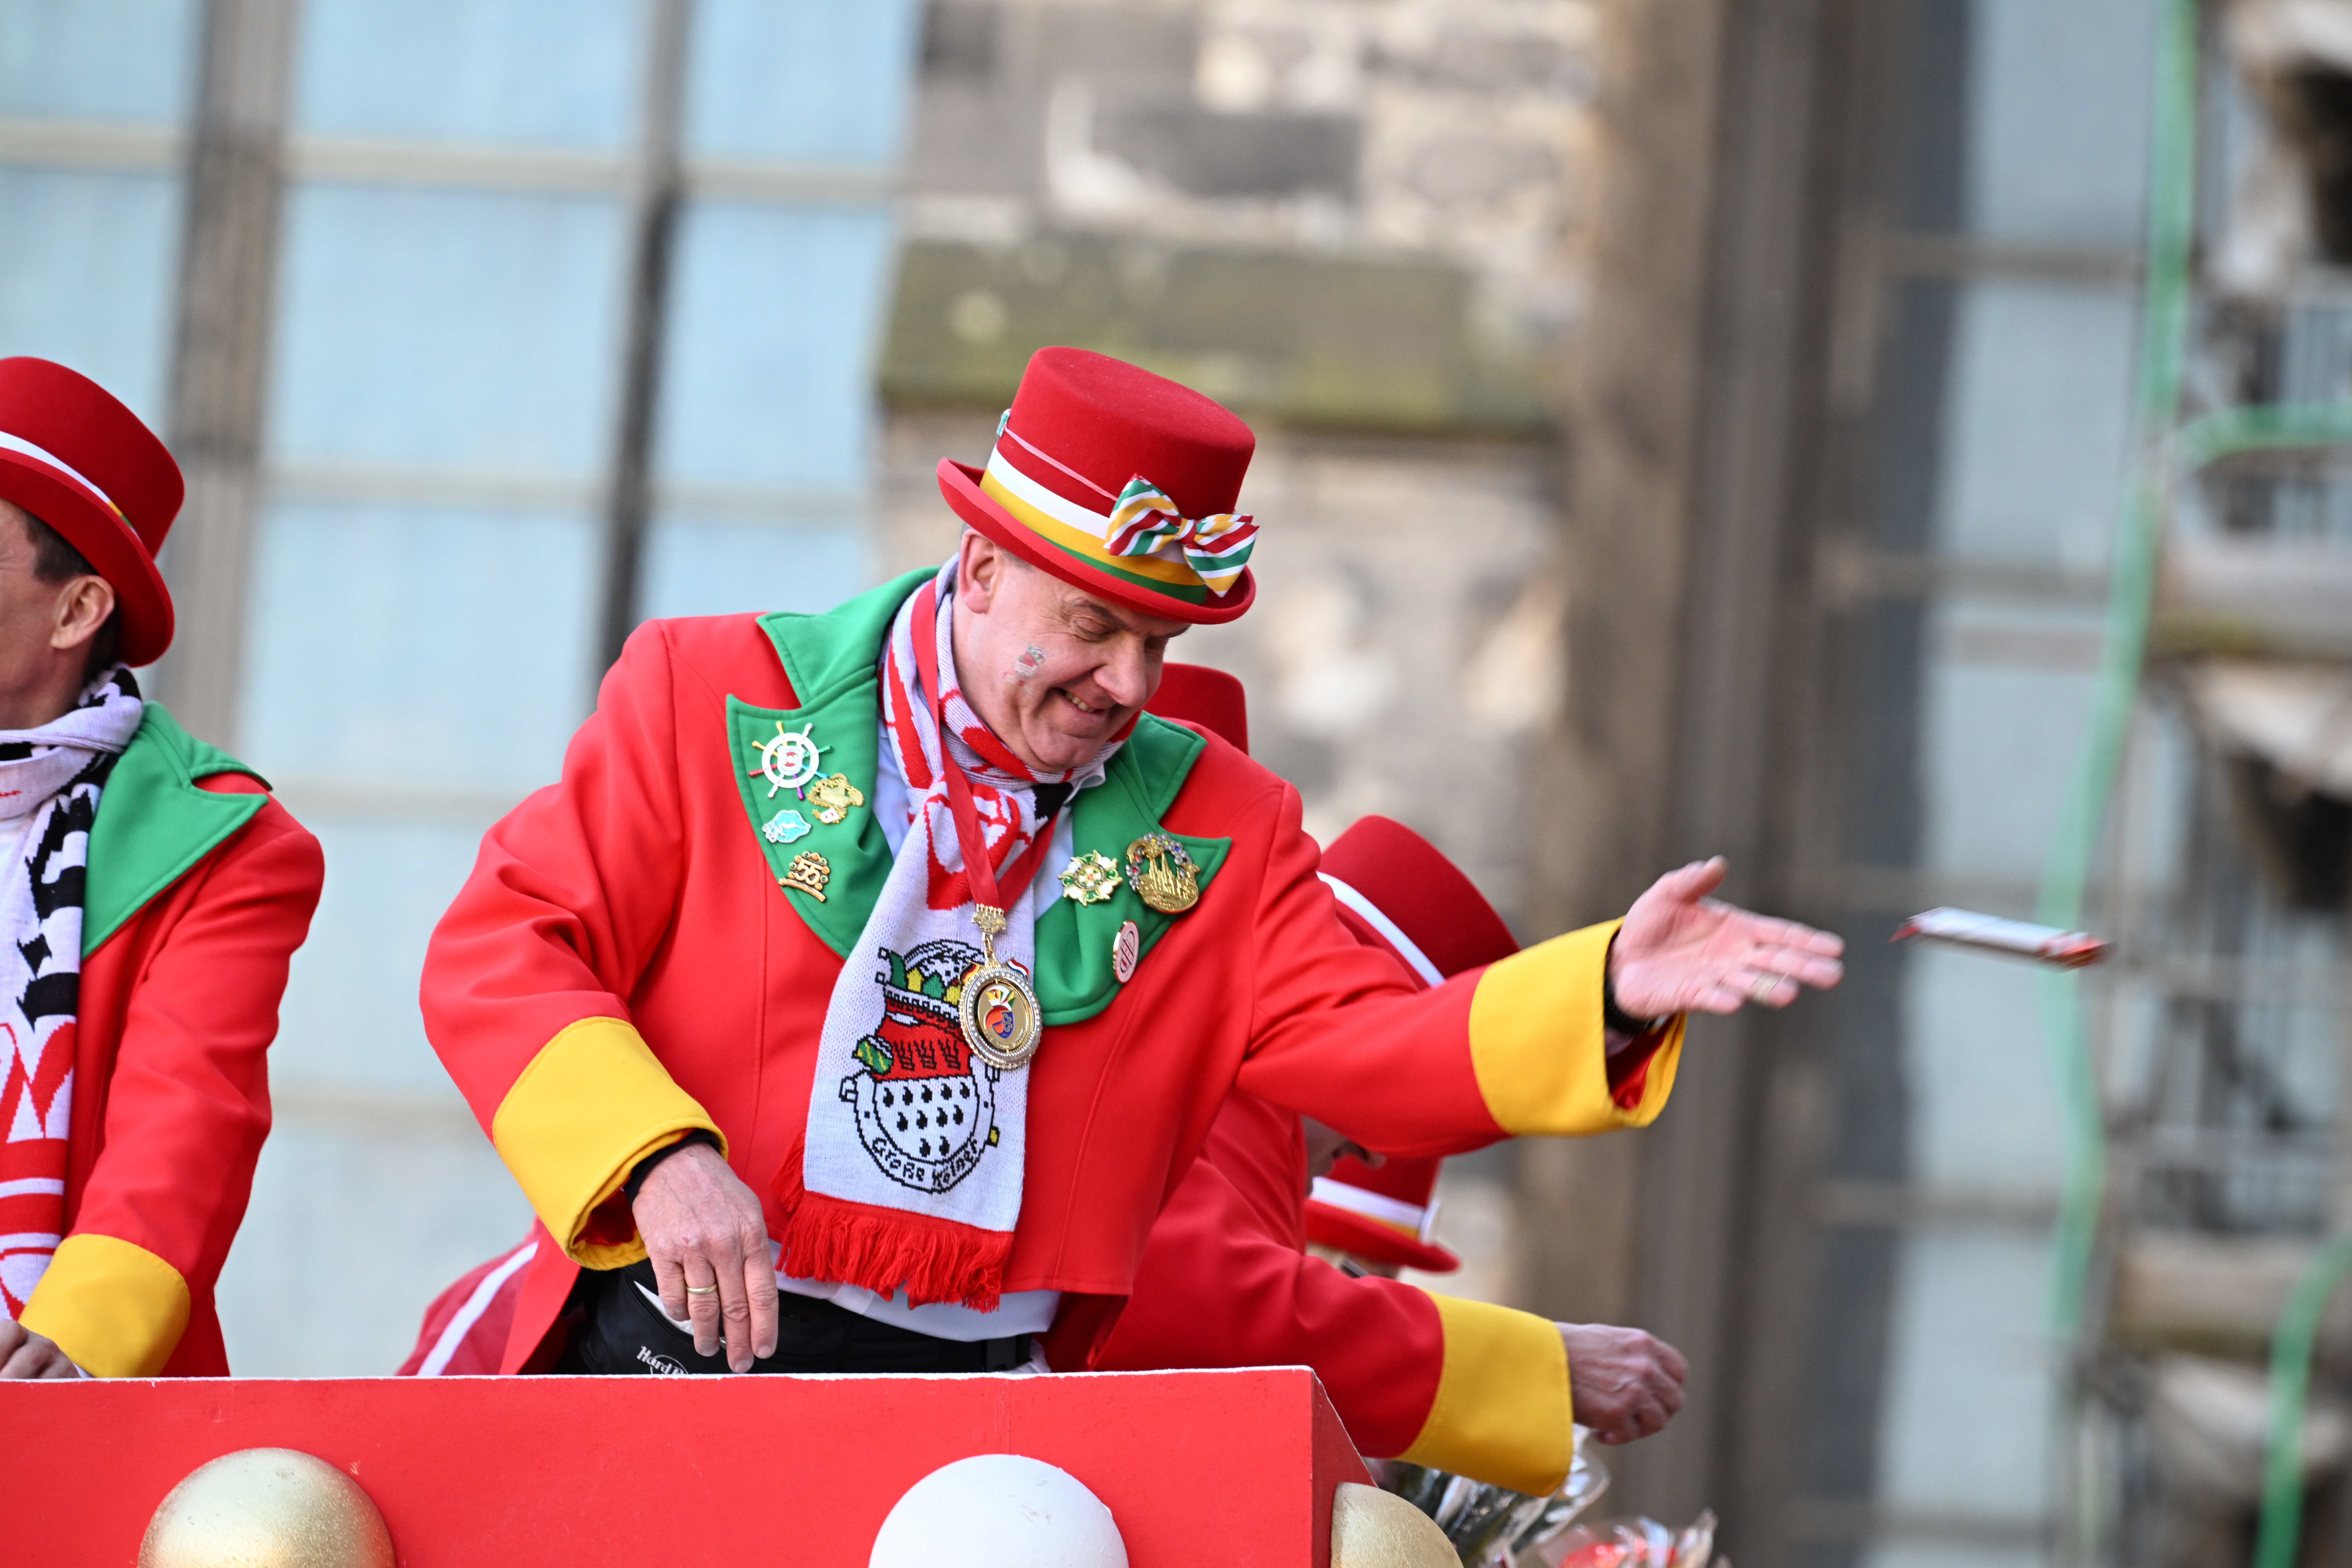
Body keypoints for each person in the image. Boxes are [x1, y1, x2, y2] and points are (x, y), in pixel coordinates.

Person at [418, 346, 1843, 1377]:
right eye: (1091, 626)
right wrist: (658, 1158)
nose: (1125, 682)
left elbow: (1365, 1042)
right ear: (976, 573)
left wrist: (1603, 989)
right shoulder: (708, 691)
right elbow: (504, 944)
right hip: (672, 1345)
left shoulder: (1223, 822)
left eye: (1159, 644)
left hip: (980, 1407)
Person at [1093, 814, 1685, 1496]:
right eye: (1404, 1093)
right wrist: (1545, 1368)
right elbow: (1202, 1300)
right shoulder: (1190, 1089)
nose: (1377, 1160)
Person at [0, 357, 324, 1379]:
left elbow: (187, 1120)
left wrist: (85, 1339)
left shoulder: (228, 845)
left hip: (56, 1391)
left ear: (76, 608)